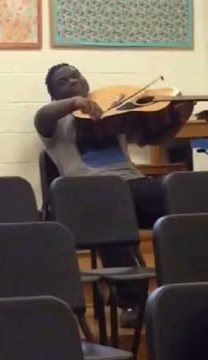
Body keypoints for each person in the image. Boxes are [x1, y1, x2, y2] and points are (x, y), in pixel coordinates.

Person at [34, 63, 194, 326]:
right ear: (53, 94)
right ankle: (132, 303)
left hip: (133, 186)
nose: (73, 81)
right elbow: (43, 115)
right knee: (107, 205)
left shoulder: (113, 113)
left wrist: (179, 119)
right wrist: (75, 103)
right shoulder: (53, 125)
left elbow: (151, 139)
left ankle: (187, 286)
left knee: (182, 191)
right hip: (91, 196)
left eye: (77, 76)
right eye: (64, 81)